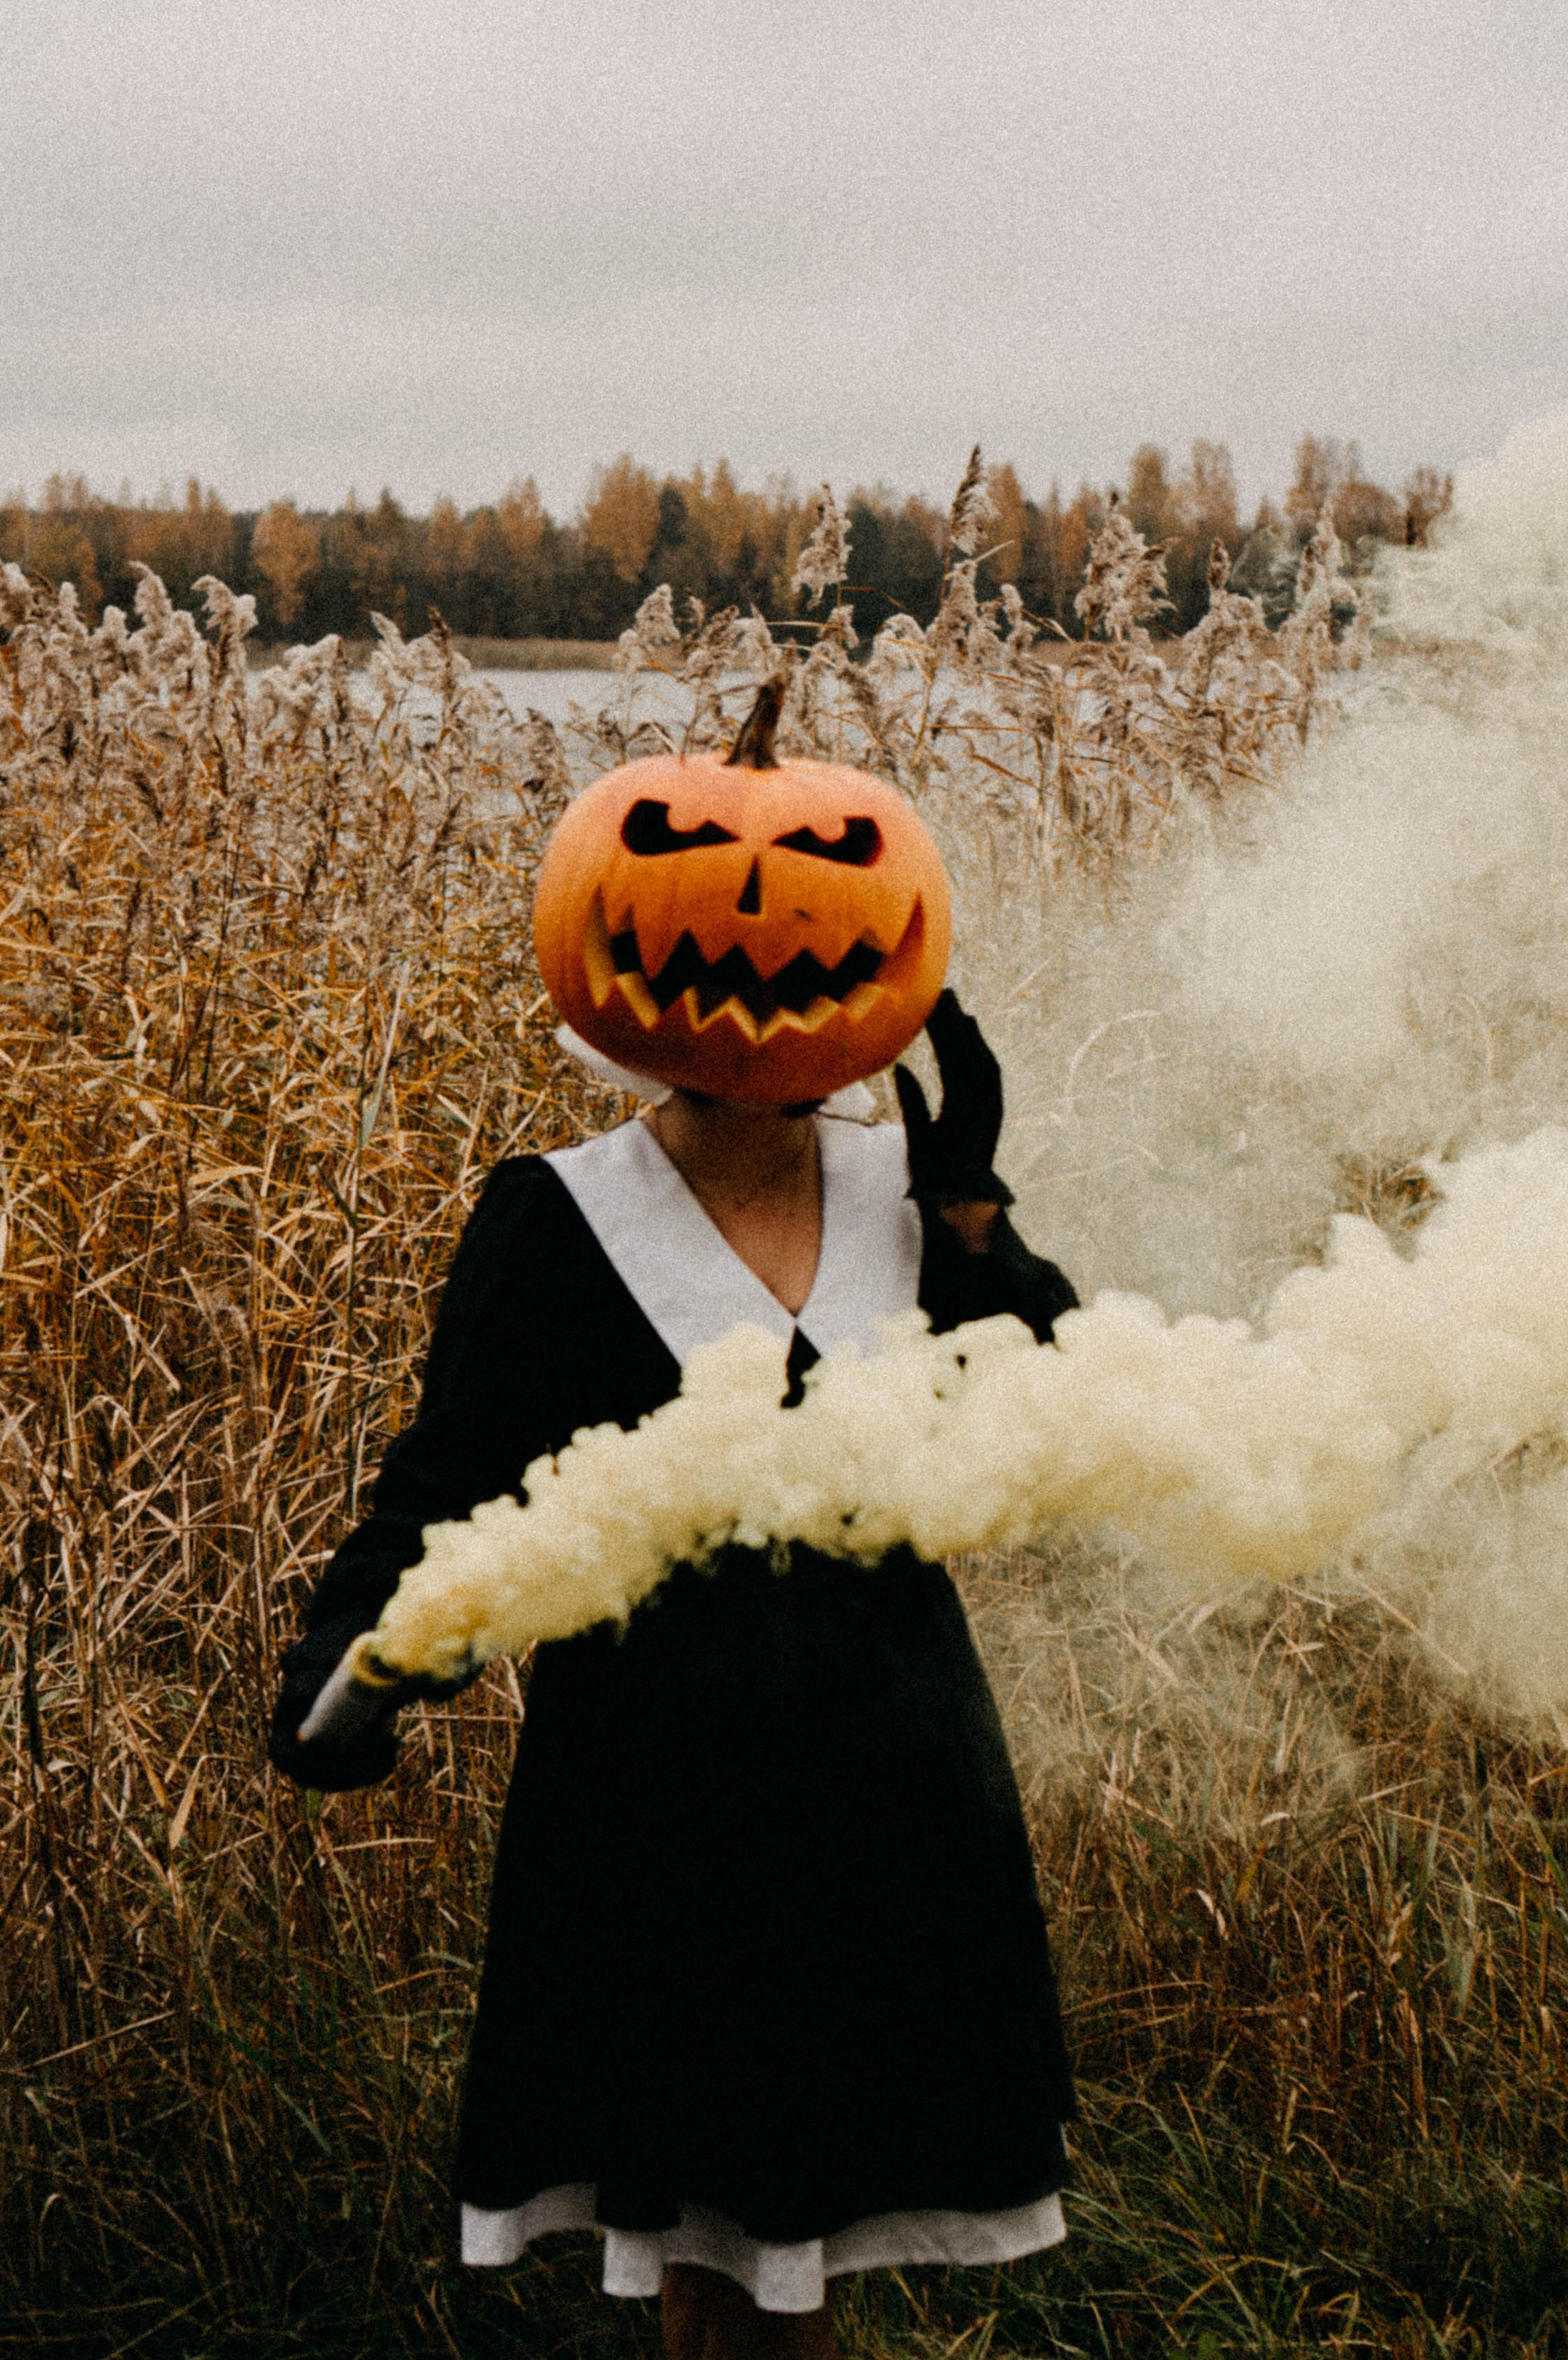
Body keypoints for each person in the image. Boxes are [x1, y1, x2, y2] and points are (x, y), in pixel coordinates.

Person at [270, 982, 1077, 2360]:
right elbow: (454, 1475)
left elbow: (1056, 1407)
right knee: (715, 2241)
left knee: (808, 2219)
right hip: (659, 1777)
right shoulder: (561, 1209)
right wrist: (351, 1658)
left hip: (893, 1756)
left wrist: (973, 1228)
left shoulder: (908, 1190)